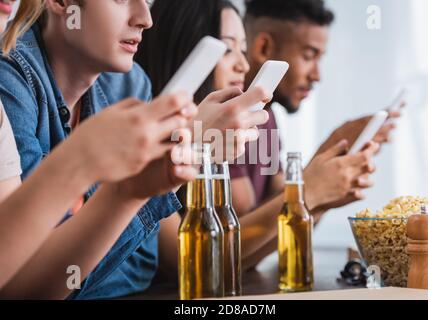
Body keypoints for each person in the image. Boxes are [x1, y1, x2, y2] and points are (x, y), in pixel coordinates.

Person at [0, 0, 270, 299]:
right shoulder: (10, 81)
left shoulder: (129, 84)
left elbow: (141, 264)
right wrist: (186, 145)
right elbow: (33, 282)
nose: (145, 18)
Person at [135, 0, 382, 282]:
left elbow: (275, 230)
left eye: (242, 48)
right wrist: (311, 190)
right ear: (185, 54)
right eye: (228, 49)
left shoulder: (259, 125)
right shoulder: (154, 139)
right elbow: (187, 262)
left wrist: (322, 193)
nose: (243, 63)